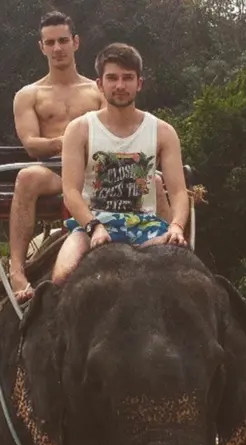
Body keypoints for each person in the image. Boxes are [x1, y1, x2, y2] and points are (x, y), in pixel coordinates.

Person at [52, 43, 189, 284]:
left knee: (187, 279)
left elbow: (178, 191)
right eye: (112, 78)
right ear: (99, 84)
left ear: (139, 83)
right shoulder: (79, 129)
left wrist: (176, 226)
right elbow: (70, 191)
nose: (120, 85)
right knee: (62, 277)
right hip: (92, 225)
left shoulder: (163, 132)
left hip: (147, 227)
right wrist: (94, 227)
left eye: (128, 78)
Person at [9, 11, 104, 301]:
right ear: (42, 47)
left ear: (76, 42)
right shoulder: (29, 94)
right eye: (50, 42)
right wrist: (66, 142)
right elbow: (31, 144)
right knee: (27, 176)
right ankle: (16, 269)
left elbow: (114, 130)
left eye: (63, 40)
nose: (57, 48)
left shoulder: (98, 89)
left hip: (95, 172)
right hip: (54, 171)